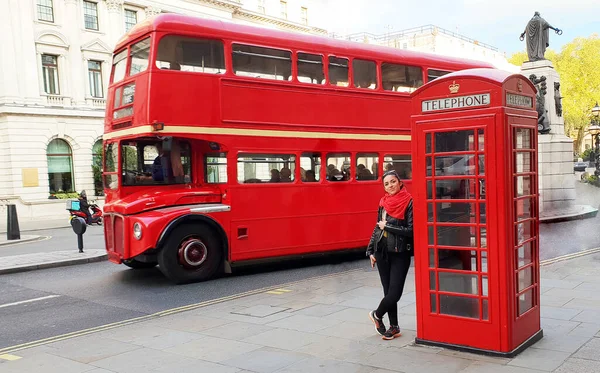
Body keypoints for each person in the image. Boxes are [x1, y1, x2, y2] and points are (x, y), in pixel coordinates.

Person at [366, 170, 414, 340]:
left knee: (395, 293)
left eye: (393, 181)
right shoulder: (383, 202)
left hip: (400, 252)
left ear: (400, 182)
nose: (390, 186)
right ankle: (394, 326)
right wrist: (370, 250)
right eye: (386, 184)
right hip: (382, 251)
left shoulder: (409, 202)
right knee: (388, 292)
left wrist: (387, 226)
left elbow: (411, 230)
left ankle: (377, 315)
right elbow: (377, 226)